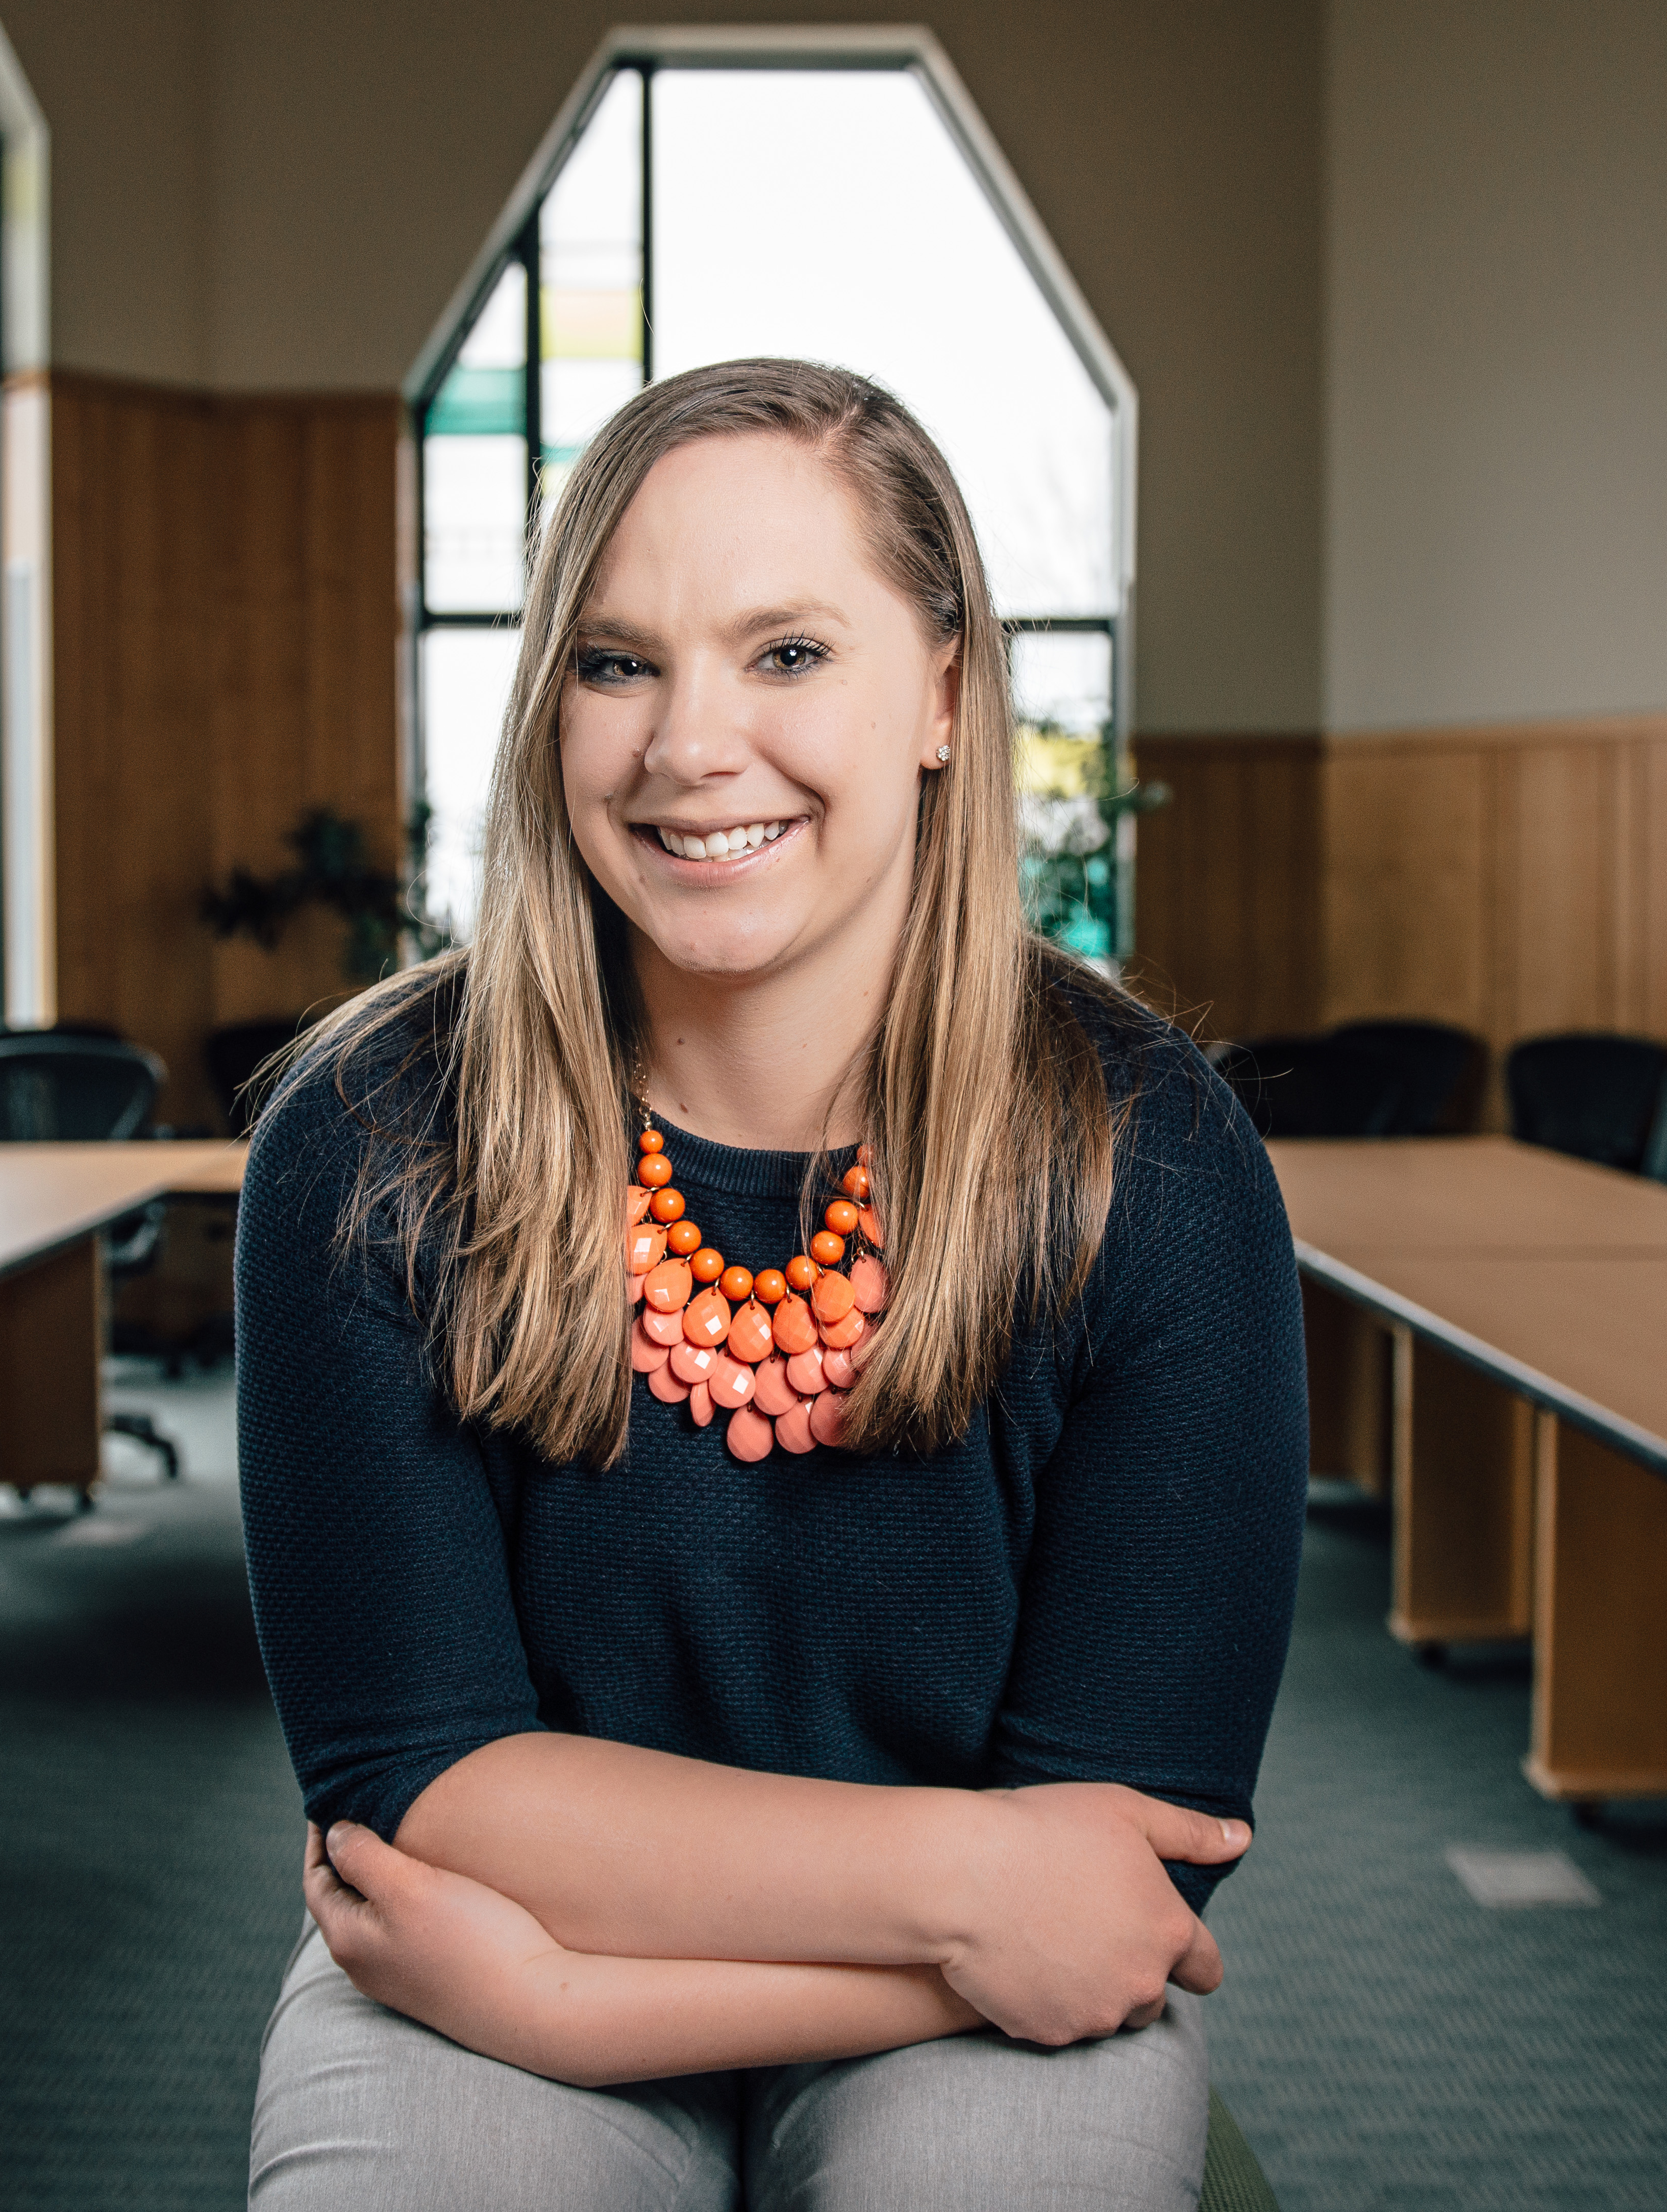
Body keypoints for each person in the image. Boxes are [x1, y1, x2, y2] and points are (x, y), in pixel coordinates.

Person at [237, 358, 1305, 2208]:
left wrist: (566, 1991)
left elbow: (1123, 1873)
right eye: (616, 659)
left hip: (909, 1999)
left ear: (946, 695)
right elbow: (426, 1784)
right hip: (519, 1961)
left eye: (788, 655)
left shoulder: (1154, 1152)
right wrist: (969, 1886)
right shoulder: (368, 1133)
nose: (687, 747)